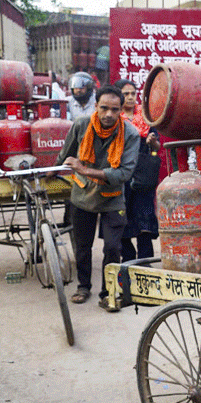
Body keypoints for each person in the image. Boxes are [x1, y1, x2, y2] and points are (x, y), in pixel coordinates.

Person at [57, 86, 140, 311]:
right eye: (104, 108)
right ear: (96, 106)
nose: (109, 114)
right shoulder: (82, 125)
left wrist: (84, 170)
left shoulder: (130, 134)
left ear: (121, 110)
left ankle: (108, 293)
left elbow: (124, 173)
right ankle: (83, 287)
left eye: (115, 109)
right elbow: (65, 156)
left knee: (113, 248)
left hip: (112, 199)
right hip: (82, 197)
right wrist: (49, 173)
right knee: (83, 246)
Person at [115, 79, 160, 262]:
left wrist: (152, 143)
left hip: (142, 174)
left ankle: (145, 262)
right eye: (126, 94)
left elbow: (157, 145)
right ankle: (127, 260)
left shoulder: (146, 115)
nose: (131, 97)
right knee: (122, 215)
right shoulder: (114, 118)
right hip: (121, 173)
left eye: (133, 93)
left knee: (145, 218)